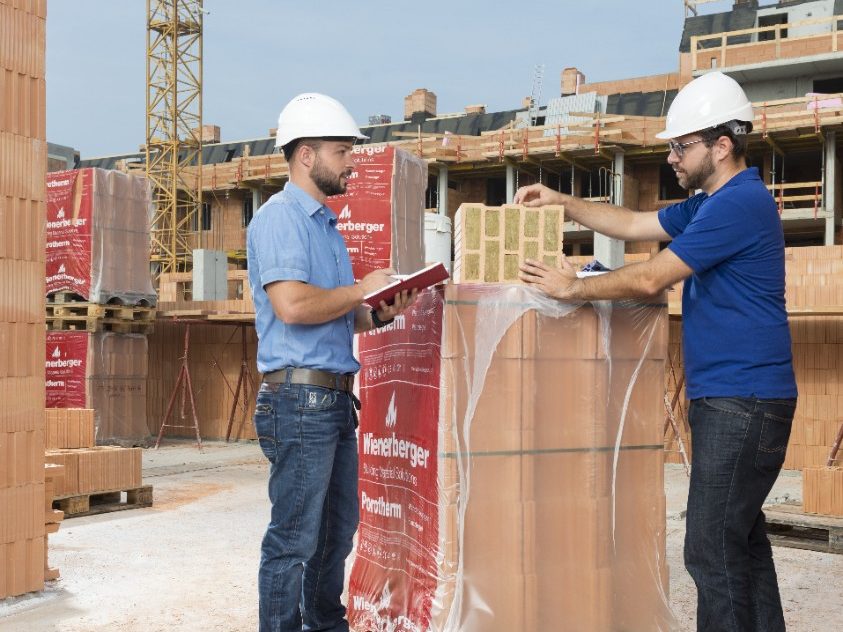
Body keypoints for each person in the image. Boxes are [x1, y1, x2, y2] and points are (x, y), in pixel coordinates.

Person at [515, 71, 797, 632]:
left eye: (681, 145)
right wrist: (564, 203)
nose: (671, 156)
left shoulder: (739, 204)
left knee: (710, 550)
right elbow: (635, 223)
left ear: (721, 145)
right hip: (738, 399)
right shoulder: (711, 203)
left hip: (743, 401)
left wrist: (574, 287)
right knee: (740, 543)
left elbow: (652, 280)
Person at [246, 92, 417, 632]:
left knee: (336, 534)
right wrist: (358, 289)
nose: (351, 164)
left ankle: (324, 625)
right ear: (305, 156)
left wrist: (382, 312)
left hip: (333, 400)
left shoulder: (326, 226)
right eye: (342, 152)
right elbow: (294, 306)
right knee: (294, 540)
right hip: (299, 400)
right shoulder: (280, 220)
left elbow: (336, 315)